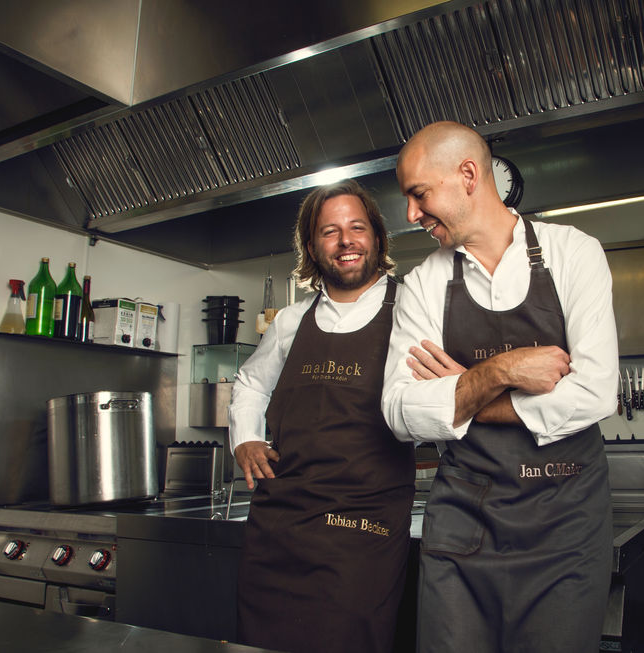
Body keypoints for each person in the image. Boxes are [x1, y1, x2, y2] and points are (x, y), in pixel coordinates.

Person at [382, 121, 619, 653]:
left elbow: (596, 392)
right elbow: (399, 412)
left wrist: (459, 393)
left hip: (567, 529)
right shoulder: (424, 283)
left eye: (418, 195)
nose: (411, 215)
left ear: (468, 175)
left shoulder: (573, 253)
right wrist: (501, 371)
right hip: (465, 524)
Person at [230, 179, 415, 653]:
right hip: (280, 529)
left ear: (376, 236)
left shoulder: (412, 310)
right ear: (312, 247)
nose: (346, 240)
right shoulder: (290, 321)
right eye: (330, 231)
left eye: (357, 227)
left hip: (361, 530)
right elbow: (250, 383)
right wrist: (245, 439)